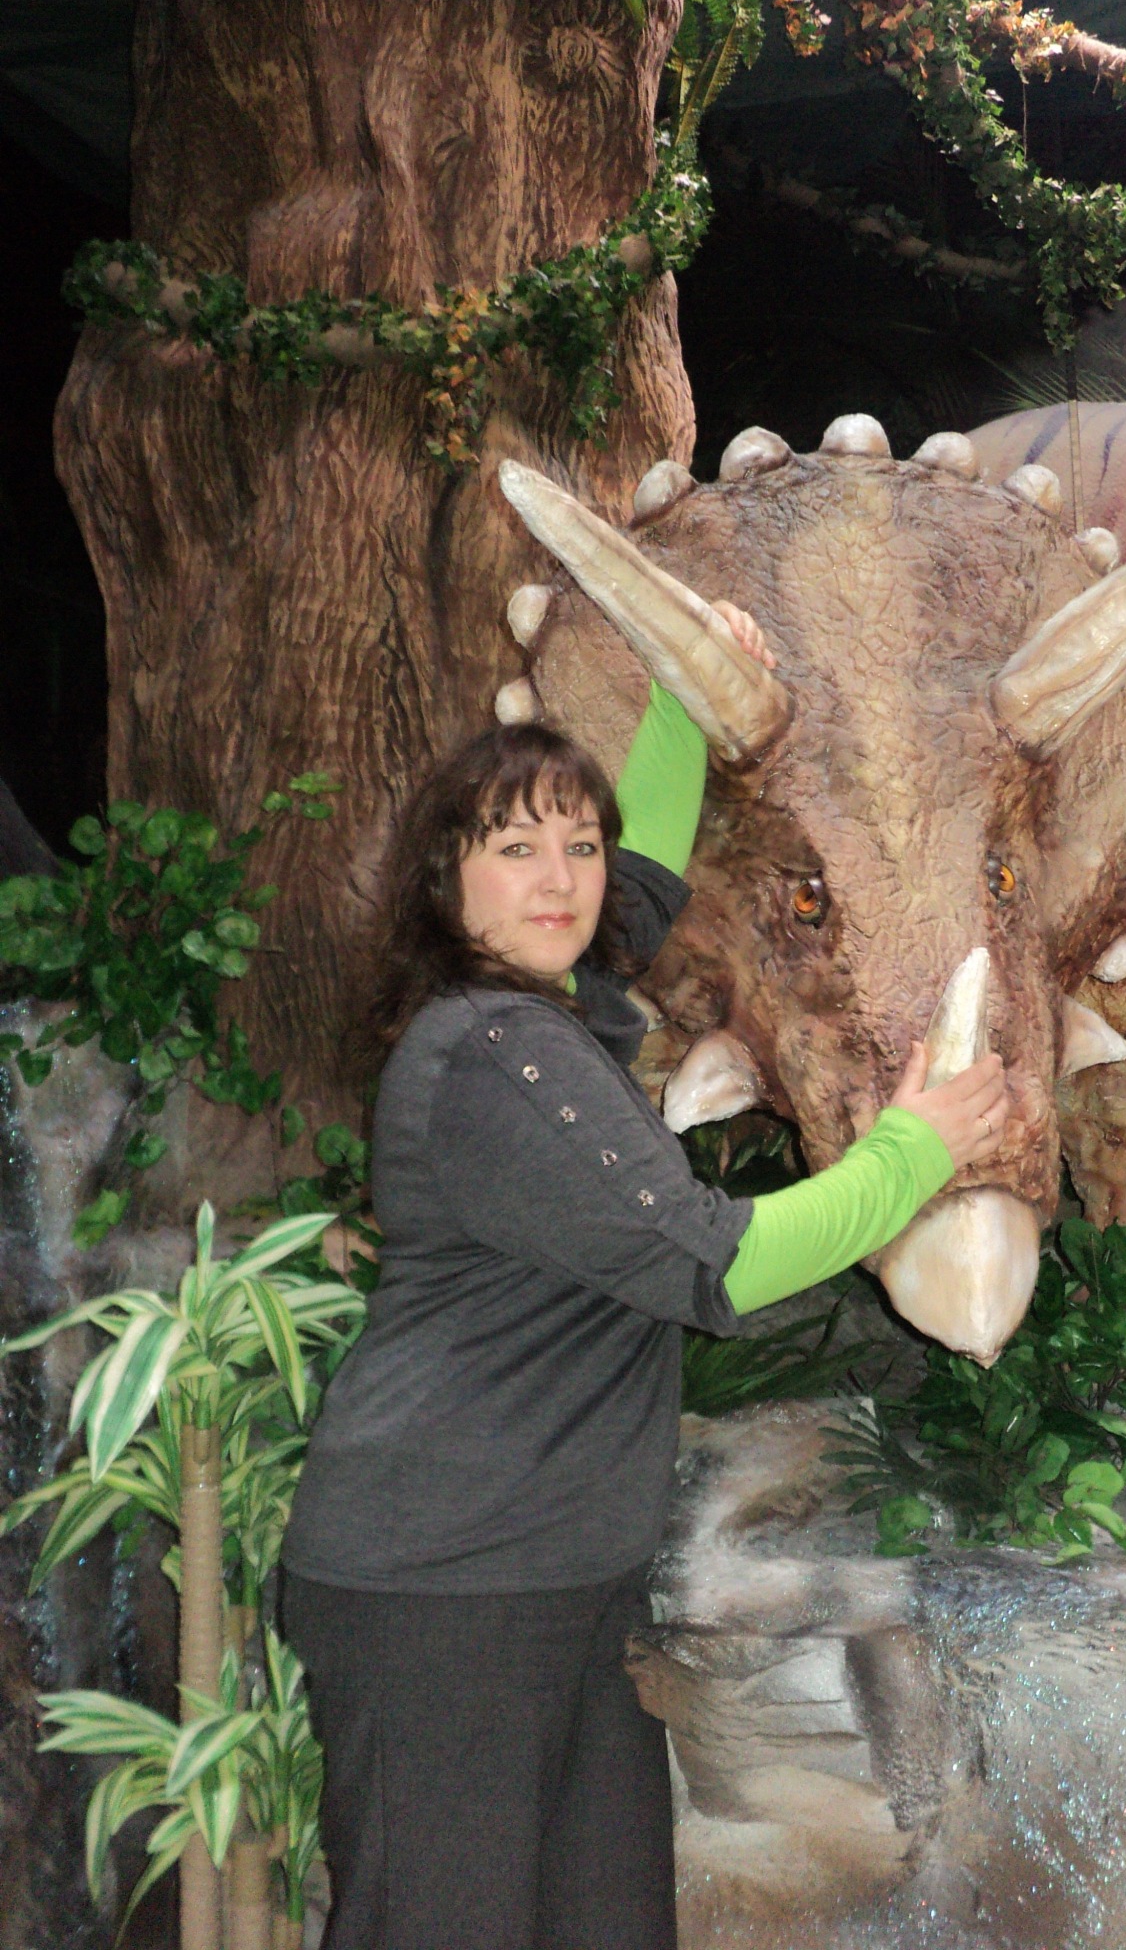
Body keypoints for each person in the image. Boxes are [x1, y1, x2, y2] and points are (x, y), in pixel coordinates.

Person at [280, 601, 1007, 1950]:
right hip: (445, 1603)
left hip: (562, 1593)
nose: (561, 877)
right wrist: (916, 1150)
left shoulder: (549, 1000)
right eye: (515, 849)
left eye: (579, 843)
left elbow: (645, 886)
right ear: (445, 882)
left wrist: (682, 694)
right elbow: (712, 1263)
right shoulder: (499, 1052)